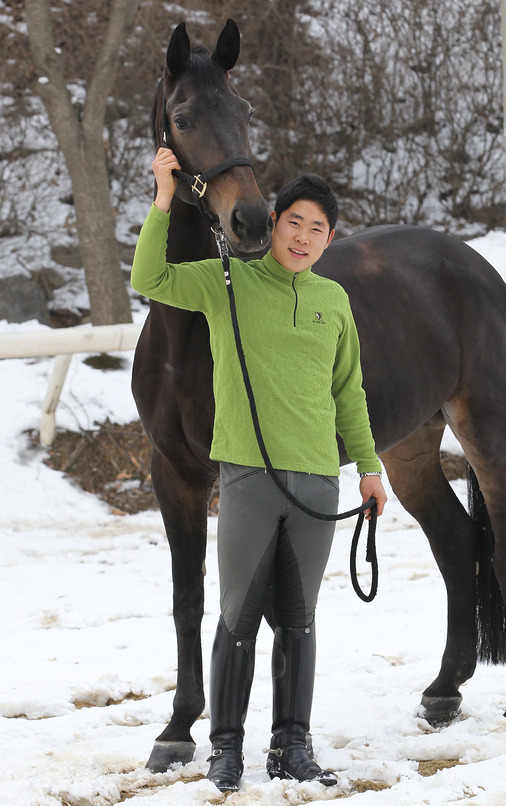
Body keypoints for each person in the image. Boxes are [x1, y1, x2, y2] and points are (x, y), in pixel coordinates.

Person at [131, 147, 388, 792]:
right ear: (272, 222)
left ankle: (292, 746)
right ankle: (225, 749)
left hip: (316, 482)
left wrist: (369, 467)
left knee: (300, 621)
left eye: (318, 229)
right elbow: (150, 280)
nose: (304, 238)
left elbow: (348, 393)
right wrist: (163, 197)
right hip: (247, 478)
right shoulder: (227, 282)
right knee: (238, 616)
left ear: (330, 240)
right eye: (295, 222)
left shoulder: (333, 301)